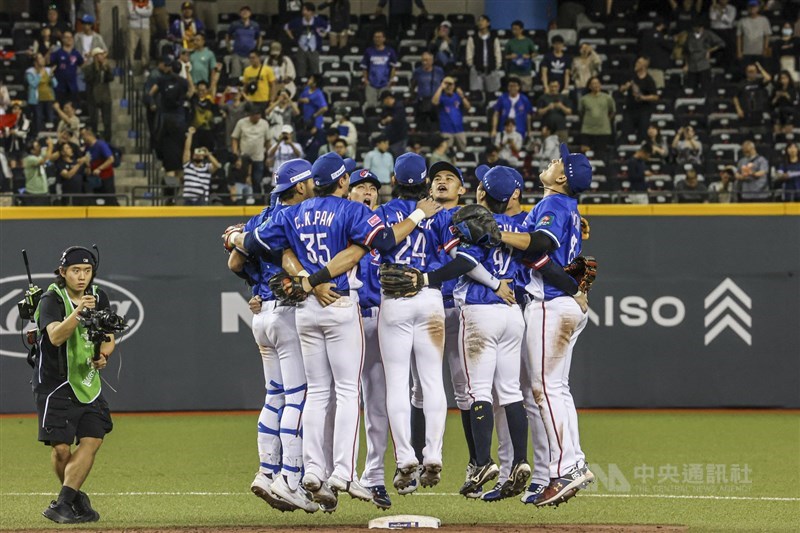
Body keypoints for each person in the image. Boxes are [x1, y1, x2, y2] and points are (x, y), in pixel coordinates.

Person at [228, 152, 441, 510]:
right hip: (339, 303)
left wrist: (236, 234)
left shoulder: (293, 212)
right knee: (347, 392)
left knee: (315, 394)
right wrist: (418, 214)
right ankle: (342, 471)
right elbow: (385, 242)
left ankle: (312, 470)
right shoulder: (351, 210)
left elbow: (251, 246)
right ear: (343, 182)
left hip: (304, 309)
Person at [498, 143, 594, 507]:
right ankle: (572, 462)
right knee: (557, 389)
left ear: (562, 177)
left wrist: (497, 234)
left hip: (550, 305)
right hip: (562, 304)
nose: (552, 161)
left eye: (558, 161)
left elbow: (537, 245)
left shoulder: (555, 204)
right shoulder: (563, 206)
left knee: (545, 390)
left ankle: (566, 468)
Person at [34, 247, 116, 524]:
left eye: (87, 271)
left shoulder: (99, 296)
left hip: (88, 382)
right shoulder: (51, 299)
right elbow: (55, 337)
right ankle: (75, 500)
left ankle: (64, 503)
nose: (82, 277)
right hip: (56, 384)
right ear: (63, 273)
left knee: (93, 438)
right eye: (75, 271)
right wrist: (79, 311)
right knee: (60, 449)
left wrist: (104, 354)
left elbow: (108, 336)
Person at [345, 167, 392, 509]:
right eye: (360, 186)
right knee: (336, 401)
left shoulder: (387, 232)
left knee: (378, 404)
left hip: (378, 320)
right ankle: (332, 474)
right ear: (347, 190)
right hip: (344, 321)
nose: (367, 192)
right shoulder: (338, 226)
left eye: (372, 188)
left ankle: (373, 478)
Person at [149, 61, 190, 198]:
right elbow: (190, 93)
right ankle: (180, 193)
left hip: (165, 121)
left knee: (169, 164)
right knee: (180, 164)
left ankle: (169, 195)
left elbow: (151, 93)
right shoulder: (183, 82)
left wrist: (155, 105)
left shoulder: (162, 80)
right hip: (179, 120)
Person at [231, 103, 271, 197]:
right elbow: (234, 138)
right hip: (244, 157)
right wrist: (236, 154)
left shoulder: (264, 123)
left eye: (259, 116)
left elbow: (268, 141)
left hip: (258, 157)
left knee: (257, 180)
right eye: (255, 116)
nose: (257, 118)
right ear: (250, 115)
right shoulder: (241, 122)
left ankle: (257, 200)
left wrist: (269, 156)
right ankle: (243, 201)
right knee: (243, 180)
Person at [284, 2, 329, 79]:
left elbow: (328, 26)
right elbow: (286, 27)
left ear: (311, 12)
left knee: (315, 69)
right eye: (303, 10)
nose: (303, 12)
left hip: (314, 48)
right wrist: (291, 37)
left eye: (305, 10)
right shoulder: (298, 21)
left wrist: (324, 34)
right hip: (302, 48)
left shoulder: (317, 20)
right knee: (301, 69)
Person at [620, 56, 659, 141]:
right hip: (630, 109)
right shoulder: (631, 76)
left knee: (643, 133)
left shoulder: (649, 80)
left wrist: (643, 97)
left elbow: (655, 97)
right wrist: (625, 87)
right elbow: (621, 89)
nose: (636, 64)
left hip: (643, 110)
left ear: (644, 65)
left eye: (639, 63)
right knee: (626, 131)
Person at [181, 126, 220, 204]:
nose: (198, 155)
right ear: (193, 156)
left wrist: (208, 154)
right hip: (188, 199)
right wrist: (190, 135)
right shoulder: (188, 166)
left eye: (200, 154)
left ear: (203, 156)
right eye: (196, 154)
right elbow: (187, 150)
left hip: (201, 200)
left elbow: (217, 165)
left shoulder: (207, 168)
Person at [577, 77, 615, 157]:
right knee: (585, 154)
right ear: (589, 86)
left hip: (603, 131)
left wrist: (605, 120)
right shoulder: (584, 99)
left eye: (597, 83)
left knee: (601, 154)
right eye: (593, 83)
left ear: (600, 85)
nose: (595, 85)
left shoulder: (607, 98)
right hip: (587, 130)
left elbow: (612, 111)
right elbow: (581, 112)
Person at [683, 21, 724, 95]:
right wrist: (686, 65)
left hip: (704, 64)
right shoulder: (689, 35)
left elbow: (721, 43)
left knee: (706, 87)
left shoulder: (708, 34)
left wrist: (709, 50)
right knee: (691, 88)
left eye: (699, 27)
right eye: (696, 27)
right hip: (692, 65)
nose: (698, 29)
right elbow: (686, 52)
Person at [360, 30, 399, 108]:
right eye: (375, 37)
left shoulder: (390, 51)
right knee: (371, 105)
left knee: (386, 105)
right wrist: (366, 80)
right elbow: (364, 67)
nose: (377, 39)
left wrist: (391, 80)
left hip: (385, 84)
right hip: (371, 84)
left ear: (384, 39)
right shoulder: (369, 51)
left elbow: (394, 67)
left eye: (379, 37)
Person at [432, 77, 471, 154]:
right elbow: (434, 102)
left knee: (463, 151)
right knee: (446, 153)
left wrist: (462, 96)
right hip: (446, 130)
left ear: (454, 85)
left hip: (459, 130)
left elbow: (468, 107)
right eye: (447, 84)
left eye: (450, 84)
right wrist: (441, 87)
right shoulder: (441, 97)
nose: (449, 86)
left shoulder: (457, 96)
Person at [82, 48, 114, 141]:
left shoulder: (106, 67)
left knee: (107, 121)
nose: (101, 57)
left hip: (105, 96)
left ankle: (108, 139)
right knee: (94, 120)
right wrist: (96, 69)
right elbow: (89, 79)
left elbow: (110, 78)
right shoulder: (89, 68)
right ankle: (94, 138)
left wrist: (106, 69)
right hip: (93, 96)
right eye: (99, 55)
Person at [82, 128, 117, 205]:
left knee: (109, 200)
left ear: (88, 135)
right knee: (97, 200)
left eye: (83, 136)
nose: (82, 138)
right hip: (95, 179)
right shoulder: (87, 148)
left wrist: (99, 168)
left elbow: (111, 159)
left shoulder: (101, 145)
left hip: (106, 177)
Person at [466, 15, 502, 93]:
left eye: (483, 20)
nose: (480, 22)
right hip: (477, 70)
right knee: (477, 94)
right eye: (479, 21)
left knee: (493, 94)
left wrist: (497, 66)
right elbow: (469, 53)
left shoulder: (494, 38)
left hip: (491, 70)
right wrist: (471, 65)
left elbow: (497, 53)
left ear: (488, 23)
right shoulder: (472, 38)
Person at [733, 62, 771, 133]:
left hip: (758, 113)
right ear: (746, 72)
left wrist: (760, 68)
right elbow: (735, 97)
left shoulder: (759, 82)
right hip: (746, 114)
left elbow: (768, 78)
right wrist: (738, 109)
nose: (751, 73)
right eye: (749, 71)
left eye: (753, 71)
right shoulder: (741, 84)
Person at [411, 51, 444, 131]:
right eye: (423, 60)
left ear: (432, 61)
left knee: (436, 125)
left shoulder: (439, 71)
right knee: (422, 125)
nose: (424, 62)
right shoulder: (417, 72)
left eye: (426, 60)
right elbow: (413, 85)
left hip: (436, 101)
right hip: (422, 101)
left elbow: (443, 83)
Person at [226, 6, 262, 79]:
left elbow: (259, 37)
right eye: (243, 11)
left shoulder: (255, 25)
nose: (245, 12)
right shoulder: (235, 24)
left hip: (249, 56)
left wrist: (257, 49)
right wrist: (228, 47)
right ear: (240, 13)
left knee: (250, 76)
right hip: (237, 54)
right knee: (235, 77)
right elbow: (227, 36)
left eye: (247, 11)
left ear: (250, 13)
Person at [25, 53, 56, 136]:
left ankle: (50, 133)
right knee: (38, 117)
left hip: (48, 97)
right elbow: (33, 84)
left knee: (50, 117)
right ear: (35, 62)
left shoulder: (48, 70)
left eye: (42, 58)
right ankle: (38, 134)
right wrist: (39, 75)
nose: (43, 59)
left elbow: (55, 84)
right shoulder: (30, 72)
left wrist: (52, 76)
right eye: (40, 58)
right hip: (37, 99)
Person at [50, 32, 84, 106]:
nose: (69, 39)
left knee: (73, 107)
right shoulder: (58, 53)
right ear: (62, 39)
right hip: (60, 86)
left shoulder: (76, 53)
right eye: (67, 37)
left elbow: (82, 64)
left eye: (71, 37)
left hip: (72, 85)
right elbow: (49, 62)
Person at [638, 18, 672, 89]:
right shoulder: (660, 36)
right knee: (659, 88)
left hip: (646, 66)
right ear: (662, 25)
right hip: (657, 67)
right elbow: (669, 46)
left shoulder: (646, 34)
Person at [504, 20, 537, 93]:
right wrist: (511, 56)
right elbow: (505, 56)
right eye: (513, 29)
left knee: (526, 93)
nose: (514, 31)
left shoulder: (528, 41)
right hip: (514, 72)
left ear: (521, 29)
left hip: (526, 72)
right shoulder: (510, 42)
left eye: (516, 29)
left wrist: (529, 56)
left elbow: (535, 53)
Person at [22, 138, 57, 205]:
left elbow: (49, 155)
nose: (39, 147)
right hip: (34, 193)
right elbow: (46, 160)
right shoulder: (29, 159)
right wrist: (50, 145)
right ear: (32, 151)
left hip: (44, 192)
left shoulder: (39, 155)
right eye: (37, 146)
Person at [737, 0, 771, 66]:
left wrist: (765, 50)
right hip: (746, 52)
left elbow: (767, 36)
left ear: (758, 8)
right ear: (747, 8)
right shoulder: (742, 21)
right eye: (750, 7)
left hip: (760, 52)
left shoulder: (764, 20)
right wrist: (739, 51)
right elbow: (739, 37)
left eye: (754, 6)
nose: (752, 8)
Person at [56, 141, 87, 205]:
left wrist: (88, 164)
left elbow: (87, 173)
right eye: (67, 148)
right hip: (68, 195)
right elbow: (67, 175)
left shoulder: (76, 162)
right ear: (62, 152)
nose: (70, 149)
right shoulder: (60, 164)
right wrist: (78, 164)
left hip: (79, 194)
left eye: (70, 148)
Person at [127, 0, 153, 74]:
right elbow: (131, 14)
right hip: (133, 27)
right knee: (131, 48)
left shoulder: (148, 1)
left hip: (145, 27)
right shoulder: (130, 1)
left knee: (145, 47)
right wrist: (143, 11)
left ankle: (145, 67)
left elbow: (149, 13)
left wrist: (137, 10)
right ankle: (130, 67)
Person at [380, 91, 409, 157]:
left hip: (399, 139)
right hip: (389, 139)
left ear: (388, 99)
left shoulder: (399, 106)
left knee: (399, 159)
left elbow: (398, 119)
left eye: (384, 100)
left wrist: (390, 119)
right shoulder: (386, 108)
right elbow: (382, 120)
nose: (383, 102)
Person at [709, 0, 737, 67]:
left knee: (728, 49)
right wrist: (715, 8)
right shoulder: (713, 7)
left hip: (727, 31)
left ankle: (727, 66)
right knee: (716, 50)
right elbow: (712, 17)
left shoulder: (732, 8)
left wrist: (720, 11)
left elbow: (728, 21)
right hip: (715, 31)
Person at [771, 70, 798, 135]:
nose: (783, 80)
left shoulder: (793, 89)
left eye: (785, 78)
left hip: (789, 112)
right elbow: (771, 103)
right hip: (778, 112)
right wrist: (776, 97)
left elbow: (794, 102)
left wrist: (787, 96)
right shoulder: (776, 89)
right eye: (781, 78)